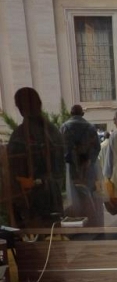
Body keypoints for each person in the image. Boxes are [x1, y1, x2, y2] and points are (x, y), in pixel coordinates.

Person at [7, 87, 65, 226]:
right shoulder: (52, 130)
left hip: (34, 199)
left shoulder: (22, 134)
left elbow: (14, 170)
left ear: (21, 108)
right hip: (53, 195)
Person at [60, 104, 102, 225]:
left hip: (72, 166)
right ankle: (93, 219)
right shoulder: (90, 127)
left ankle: (78, 221)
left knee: (74, 194)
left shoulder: (64, 127)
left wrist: (70, 161)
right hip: (89, 166)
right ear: (82, 114)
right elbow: (97, 147)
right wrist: (89, 161)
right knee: (90, 192)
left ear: (71, 113)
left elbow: (62, 148)